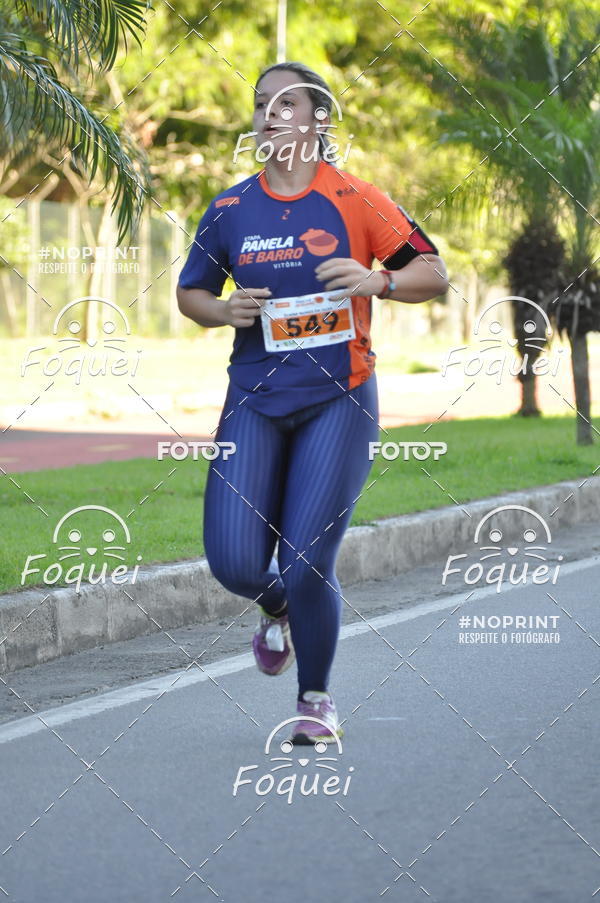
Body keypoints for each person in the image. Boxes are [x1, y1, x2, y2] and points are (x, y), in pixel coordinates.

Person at [177, 61, 449, 745]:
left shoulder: (357, 199)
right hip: (254, 400)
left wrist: (378, 281)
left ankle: (315, 699)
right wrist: (223, 310)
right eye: (261, 104)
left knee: (306, 562)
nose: (269, 114)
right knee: (234, 563)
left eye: (286, 103)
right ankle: (276, 606)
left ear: (318, 119)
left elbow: (432, 271)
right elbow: (191, 292)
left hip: (340, 399)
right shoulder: (231, 209)